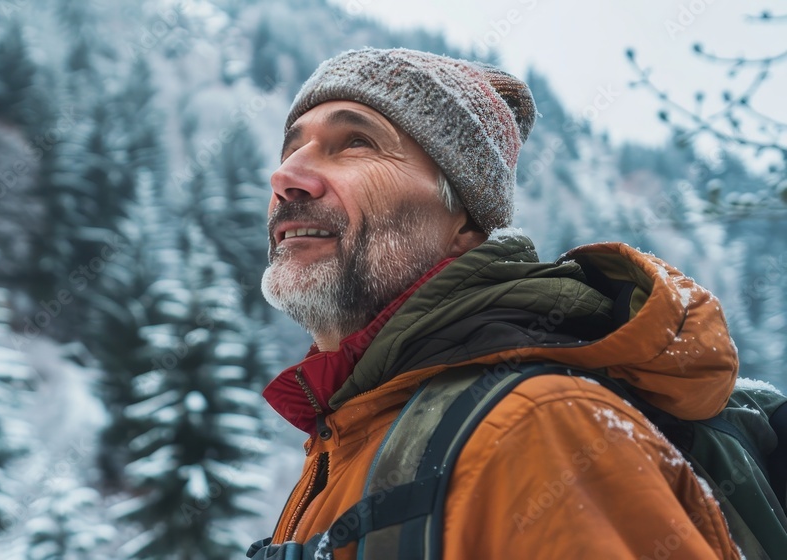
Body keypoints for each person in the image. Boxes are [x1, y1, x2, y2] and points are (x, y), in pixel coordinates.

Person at [252, 48, 741, 559]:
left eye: (356, 142)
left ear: (465, 220)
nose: (286, 176)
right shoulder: (352, 431)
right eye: (291, 149)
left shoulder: (538, 428)